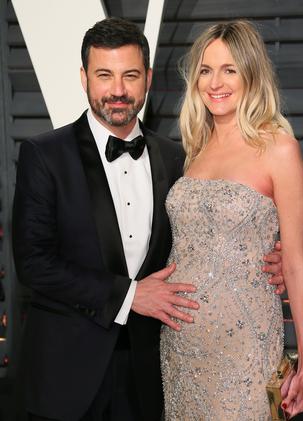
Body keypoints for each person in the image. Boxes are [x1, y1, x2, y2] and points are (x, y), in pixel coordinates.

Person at [12, 18, 285, 421]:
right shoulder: (44, 155)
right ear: (84, 77)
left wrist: (264, 259)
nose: (118, 90)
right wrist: (129, 295)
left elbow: (205, 235)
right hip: (66, 378)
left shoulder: (179, 157)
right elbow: (34, 264)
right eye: (104, 75)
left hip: (154, 374)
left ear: (148, 79)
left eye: (130, 75)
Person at [160, 20, 303, 420]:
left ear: (250, 74)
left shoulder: (279, 149)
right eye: (206, 71)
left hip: (246, 350)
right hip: (180, 349)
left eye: (229, 69)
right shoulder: (194, 147)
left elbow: (295, 262)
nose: (215, 82)